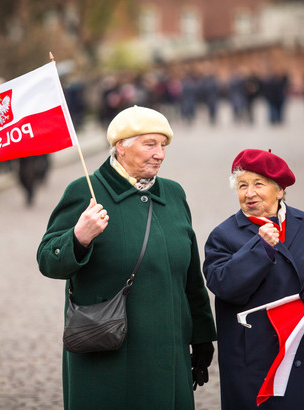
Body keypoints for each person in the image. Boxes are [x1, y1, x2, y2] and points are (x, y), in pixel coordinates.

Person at [37, 105, 217, 409]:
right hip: (107, 357)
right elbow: (48, 260)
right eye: (150, 144)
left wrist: (201, 336)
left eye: (163, 145)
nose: (159, 154)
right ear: (121, 146)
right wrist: (79, 238)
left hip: (168, 353)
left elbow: (190, 277)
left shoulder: (173, 194)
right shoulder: (86, 191)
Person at [203, 149, 304, 409]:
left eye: (258, 184)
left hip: (303, 353)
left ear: (279, 190)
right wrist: (261, 248)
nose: (249, 193)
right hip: (255, 361)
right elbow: (223, 285)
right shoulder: (223, 235)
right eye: (242, 185)